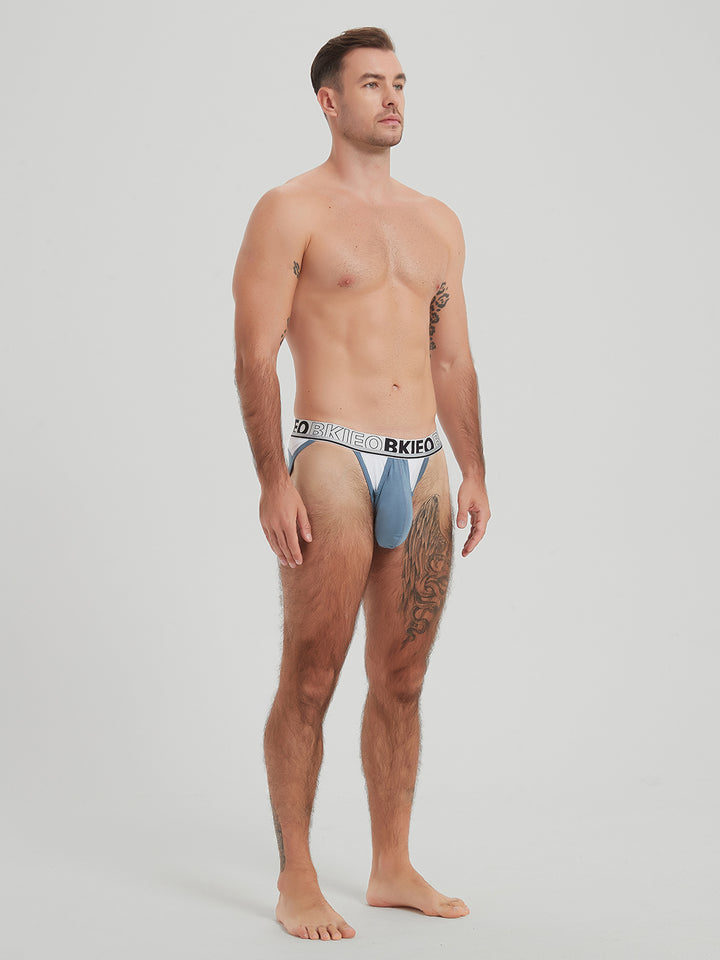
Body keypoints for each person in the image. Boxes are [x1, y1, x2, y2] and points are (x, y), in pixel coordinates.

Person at [232, 26, 490, 942]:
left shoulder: (437, 222)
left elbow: (451, 360)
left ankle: (391, 866)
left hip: (423, 465)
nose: (392, 98)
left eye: (401, 83)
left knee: (404, 679)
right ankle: (297, 877)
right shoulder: (289, 209)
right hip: (332, 457)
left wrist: (475, 471)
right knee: (311, 676)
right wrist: (273, 480)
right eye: (373, 83)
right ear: (329, 100)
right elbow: (254, 354)